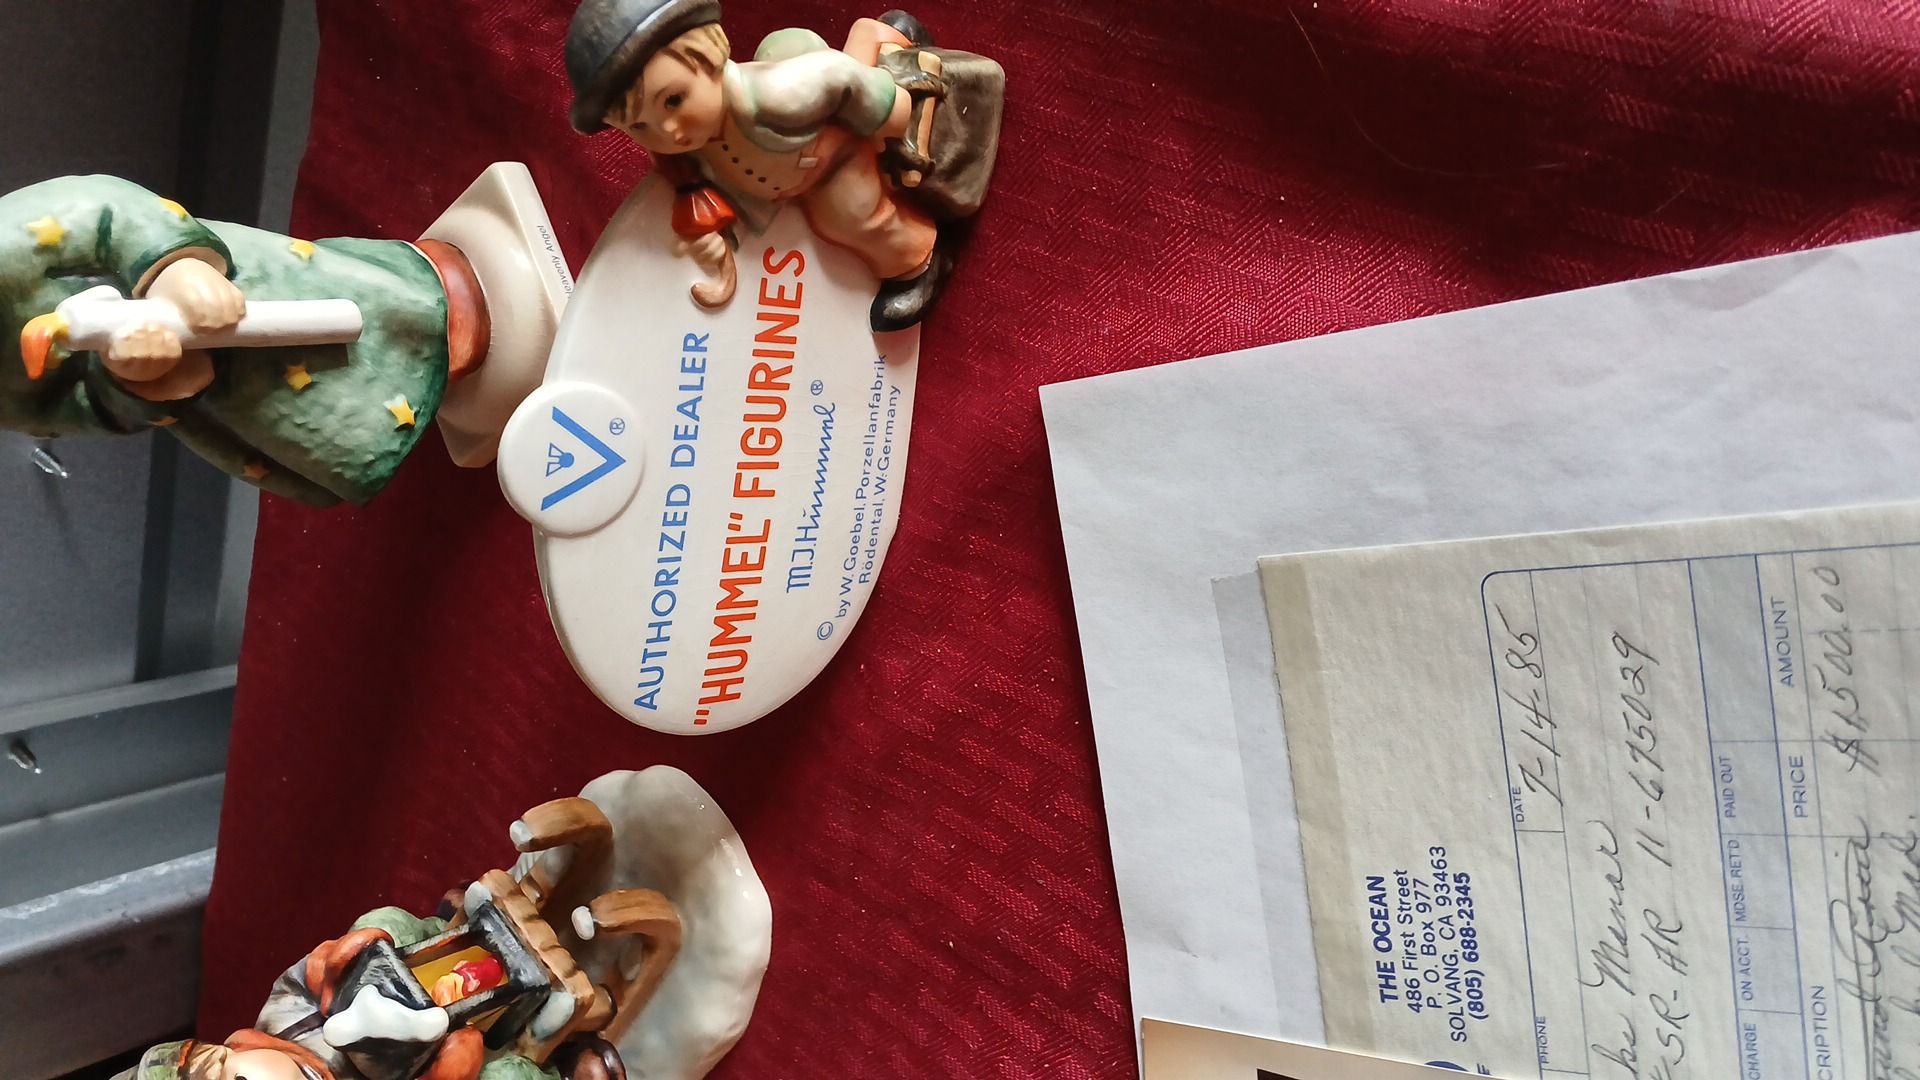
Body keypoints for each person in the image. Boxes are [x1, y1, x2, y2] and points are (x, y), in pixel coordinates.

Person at [0, 174, 493, 506]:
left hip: (231, 291)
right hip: (223, 392)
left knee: (346, 304)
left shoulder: (10, 239)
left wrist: (174, 269)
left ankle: (430, 312)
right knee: (317, 411)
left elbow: (108, 210)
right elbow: (91, 412)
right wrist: (131, 378)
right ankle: (426, 378)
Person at [565, 1, 1002, 330]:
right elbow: (699, 188)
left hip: (833, 154)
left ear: (710, 56)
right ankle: (883, 38)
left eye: (674, 100)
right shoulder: (683, 152)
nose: (669, 131)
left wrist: (889, 122)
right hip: (795, 154)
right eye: (640, 126)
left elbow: (843, 79)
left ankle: (918, 259)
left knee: (848, 216)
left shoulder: (778, 94)